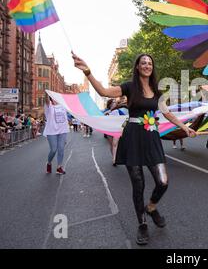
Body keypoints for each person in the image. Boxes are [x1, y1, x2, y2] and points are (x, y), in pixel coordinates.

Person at [72, 52, 196, 246]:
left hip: (151, 138)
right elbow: (104, 91)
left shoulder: (156, 90)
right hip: (133, 138)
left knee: (163, 181)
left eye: (149, 63)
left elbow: (167, 113)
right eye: (143, 63)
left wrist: (185, 127)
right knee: (138, 185)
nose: (147, 65)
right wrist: (88, 72)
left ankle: (152, 207)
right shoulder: (129, 87)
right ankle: (142, 224)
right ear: (137, 67)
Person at [43, 95, 70, 175]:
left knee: (61, 149)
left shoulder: (63, 106)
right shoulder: (49, 106)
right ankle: (49, 162)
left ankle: (59, 167)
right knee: (53, 149)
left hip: (62, 130)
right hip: (51, 131)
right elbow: (47, 100)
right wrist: (47, 92)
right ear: (51, 99)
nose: (56, 100)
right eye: (54, 98)